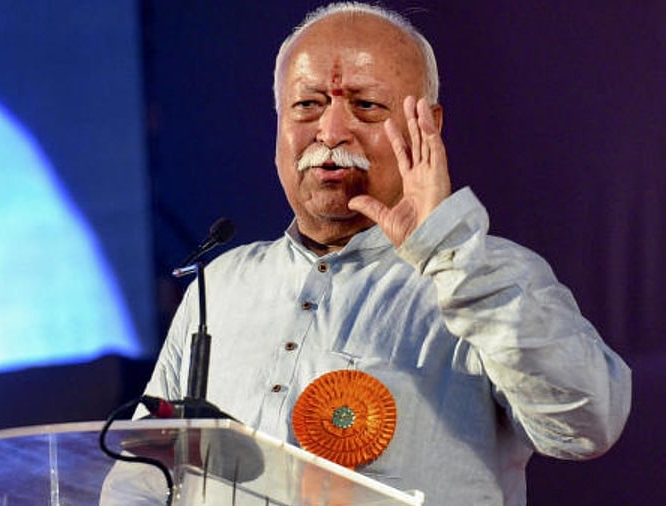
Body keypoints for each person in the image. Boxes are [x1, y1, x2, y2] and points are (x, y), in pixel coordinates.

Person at [130, 2, 631, 505]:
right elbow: (141, 476)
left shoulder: (488, 275)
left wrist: (448, 253)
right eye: (307, 105)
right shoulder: (220, 285)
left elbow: (586, 427)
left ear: (427, 126)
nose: (330, 132)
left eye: (367, 105)